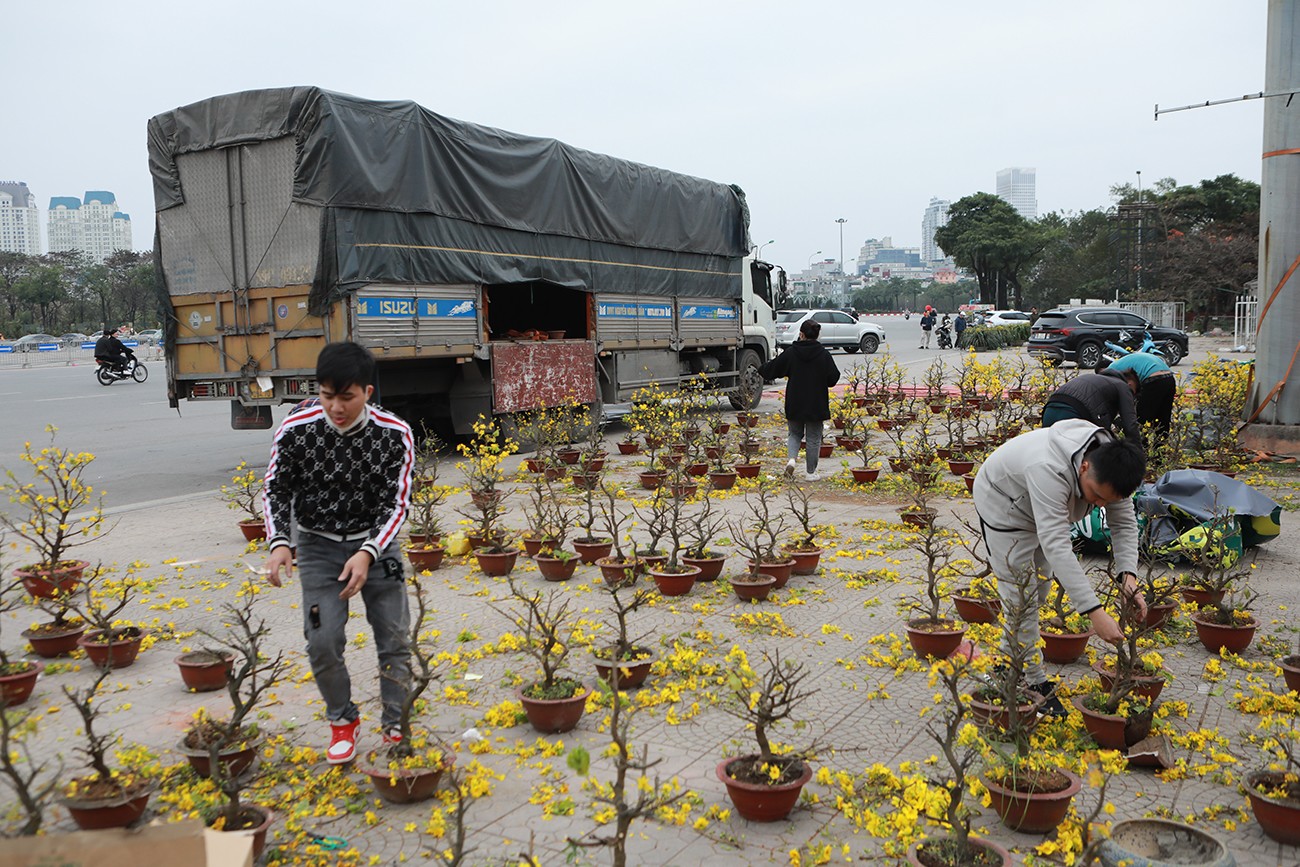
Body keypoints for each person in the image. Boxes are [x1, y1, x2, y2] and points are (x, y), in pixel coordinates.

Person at [262, 341, 416, 764]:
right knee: (322, 640)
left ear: (367, 391)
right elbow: (277, 488)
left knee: (395, 638)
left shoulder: (394, 433)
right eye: (327, 395)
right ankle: (342, 720)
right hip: (317, 548)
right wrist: (279, 543)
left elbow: (396, 504)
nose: (336, 407)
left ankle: (396, 723)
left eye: (346, 397)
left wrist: (367, 552)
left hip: (378, 547)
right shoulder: (296, 428)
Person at [973, 420, 1148, 715]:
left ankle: (1005, 663)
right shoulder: (1048, 467)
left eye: (1108, 500)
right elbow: (1056, 544)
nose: (1100, 505)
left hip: (1043, 508)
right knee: (1021, 597)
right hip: (1004, 503)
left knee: (1038, 591)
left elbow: (1124, 524)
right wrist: (1095, 612)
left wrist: (1128, 578)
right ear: (1083, 468)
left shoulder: (1114, 468)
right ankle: (1034, 681)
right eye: (1097, 496)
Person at [758, 319, 840, 481]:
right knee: (813, 438)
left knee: (794, 434)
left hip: (795, 401)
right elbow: (833, 379)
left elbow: (773, 369)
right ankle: (811, 473)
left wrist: (761, 368)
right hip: (816, 403)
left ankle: (791, 460)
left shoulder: (791, 353)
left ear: (801, 334)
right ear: (817, 335)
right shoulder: (823, 354)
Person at [1041, 370, 1142, 441]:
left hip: (1050, 409)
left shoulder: (1093, 378)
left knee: (1052, 453)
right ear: (1130, 384)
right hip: (1074, 414)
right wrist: (1138, 459)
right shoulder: (1122, 386)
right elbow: (1130, 426)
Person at [1102, 353, 1176, 445]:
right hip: (1169, 378)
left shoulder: (1109, 375)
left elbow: (1125, 391)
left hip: (1153, 378)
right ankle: (1161, 455)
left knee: (1140, 422)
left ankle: (1142, 452)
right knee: (1162, 422)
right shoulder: (1120, 367)